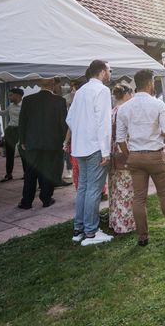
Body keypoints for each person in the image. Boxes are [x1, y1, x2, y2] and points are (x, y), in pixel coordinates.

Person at [116, 69, 165, 247]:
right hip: (155, 155)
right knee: (164, 193)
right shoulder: (158, 105)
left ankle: (142, 237)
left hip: (135, 156)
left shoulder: (124, 108)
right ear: (150, 83)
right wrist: (156, 132)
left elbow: (120, 139)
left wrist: (130, 155)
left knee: (139, 198)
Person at [66, 60, 113, 246]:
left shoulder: (80, 91)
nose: (110, 74)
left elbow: (69, 118)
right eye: (109, 71)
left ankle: (79, 229)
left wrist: (80, 133)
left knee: (83, 188)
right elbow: (104, 122)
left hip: (80, 146)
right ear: (102, 72)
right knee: (93, 189)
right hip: (95, 147)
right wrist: (106, 151)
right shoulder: (102, 90)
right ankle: (91, 232)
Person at [18, 78, 67, 209]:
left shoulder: (28, 100)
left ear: (40, 84)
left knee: (30, 172)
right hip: (53, 143)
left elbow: (22, 121)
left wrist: (22, 140)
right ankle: (46, 199)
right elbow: (63, 124)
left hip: (32, 142)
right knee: (48, 171)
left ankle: (26, 201)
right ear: (54, 85)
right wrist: (65, 141)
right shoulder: (60, 101)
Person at [108, 84, 136, 234]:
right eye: (130, 94)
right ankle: (125, 224)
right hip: (123, 149)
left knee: (115, 188)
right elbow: (126, 134)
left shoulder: (112, 111)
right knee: (126, 188)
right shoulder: (124, 111)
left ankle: (115, 220)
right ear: (126, 95)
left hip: (113, 150)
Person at [0, 87, 25, 182]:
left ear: (18, 95)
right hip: (10, 130)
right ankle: (8, 174)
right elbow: (3, 113)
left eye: (11, 95)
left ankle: (26, 173)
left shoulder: (25, 106)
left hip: (21, 130)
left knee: (23, 152)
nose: (9, 97)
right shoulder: (11, 105)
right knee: (9, 153)